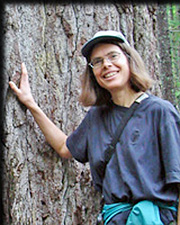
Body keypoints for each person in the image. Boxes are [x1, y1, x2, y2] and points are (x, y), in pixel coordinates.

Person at [9, 30, 180, 225]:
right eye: (97, 62)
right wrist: (31, 104)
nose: (106, 65)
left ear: (129, 60)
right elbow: (65, 148)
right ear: (93, 73)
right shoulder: (97, 117)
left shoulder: (160, 112)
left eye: (113, 56)